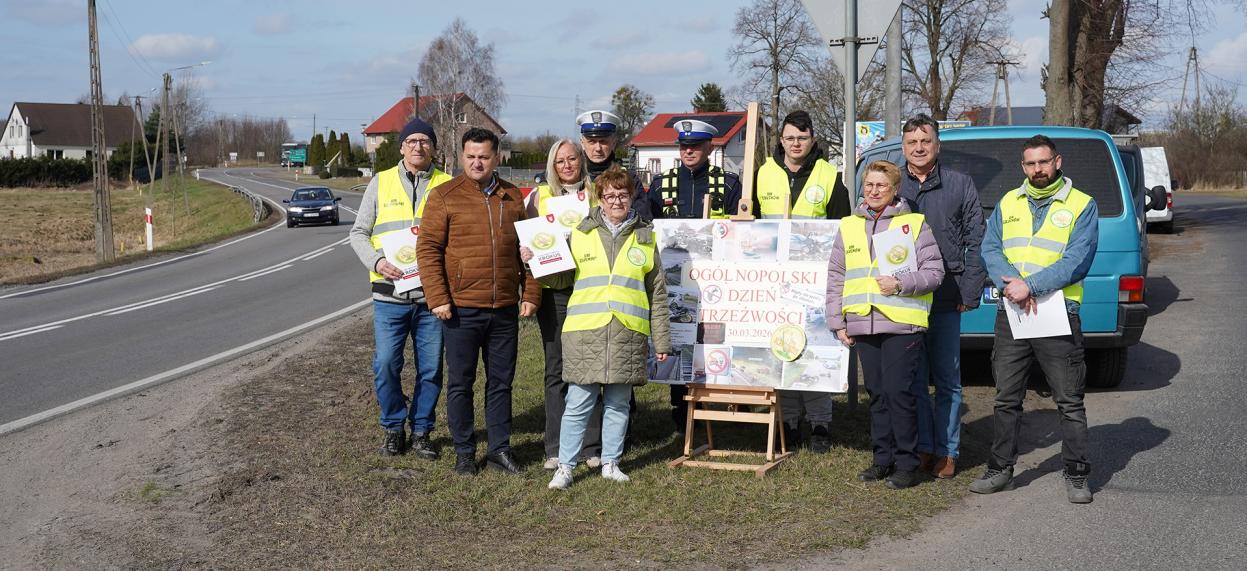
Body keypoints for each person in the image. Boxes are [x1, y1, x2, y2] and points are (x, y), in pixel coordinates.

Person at [521, 166, 671, 490]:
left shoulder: (646, 238)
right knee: (578, 402)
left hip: (627, 333)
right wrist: (535, 260)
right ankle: (565, 466)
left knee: (618, 403)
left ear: (632, 197)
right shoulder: (580, 232)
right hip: (585, 332)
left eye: (623, 194)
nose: (617, 200)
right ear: (600, 198)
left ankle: (610, 462)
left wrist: (662, 341)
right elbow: (561, 279)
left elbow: (657, 293)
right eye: (610, 195)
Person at [971, 135, 1098, 504]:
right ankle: (1000, 470)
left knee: (1069, 400)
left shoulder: (1081, 205)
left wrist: (1030, 285)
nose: (1037, 170)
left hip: (1058, 313)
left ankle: (1076, 474)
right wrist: (1012, 286)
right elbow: (989, 248)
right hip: (1012, 314)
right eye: (1030, 164)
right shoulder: (1009, 201)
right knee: (1005, 398)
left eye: (1043, 162)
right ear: (1022, 166)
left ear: (1057, 162)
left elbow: (1078, 259)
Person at [416, 127, 541, 477]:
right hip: (460, 309)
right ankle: (465, 452)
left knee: (501, 383)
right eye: (470, 156)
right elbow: (426, 250)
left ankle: (500, 450)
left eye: (483, 156)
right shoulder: (444, 196)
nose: (476, 163)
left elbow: (530, 251)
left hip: (503, 308)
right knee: (461, 383)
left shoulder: (513, 197)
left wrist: (530, 293)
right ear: (460, 157)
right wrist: (438, 298)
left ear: (496, 157)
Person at [826, 160, 944, 490]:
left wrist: (901, 283)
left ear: (895, 190)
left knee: (898, 393)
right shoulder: (849, 225)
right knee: (877, 394)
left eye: (881, 186)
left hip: (901, 323)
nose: (874, 191)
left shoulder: (914, 224)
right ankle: (882, 459)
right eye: (869, 185)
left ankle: (907, 463)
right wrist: (837, 321)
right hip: (862, 322)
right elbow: (836, 276)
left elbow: (935, 273)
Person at [348, 117, 452, 457]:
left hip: (432, 297)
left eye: (425, 141)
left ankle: (422, 430)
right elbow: (357, 232)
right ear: (402, 146)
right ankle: (393, 426)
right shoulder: (380, 182)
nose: (418, 146)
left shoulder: (448, 184)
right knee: (386, 364)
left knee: (432, 368)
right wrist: (377, 262)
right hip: (388, 296)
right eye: (412, 141)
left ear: (434, 147)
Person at [752, 109, 852, 453]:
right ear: (781, 140)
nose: (796, 144)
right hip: (773, 280)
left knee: (815, 348)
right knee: (781, 348)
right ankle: (789, 421)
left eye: (802, 138)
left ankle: (820, 423)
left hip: (815, 280)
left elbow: (843, 226)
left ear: (813, 140)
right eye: (790, 138)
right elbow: (750, 221)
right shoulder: (763, 173)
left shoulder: (828, 174)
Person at [897, 113, 987, 479]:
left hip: (947, 293)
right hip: (902, 297)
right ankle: (923, 447)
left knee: (948, 377)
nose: (919, 148)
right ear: (904, 147)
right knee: (914, 376)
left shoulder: (959, 184)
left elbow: (976, 241)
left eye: (925, 141)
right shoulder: (892, 182)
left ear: (937, 145)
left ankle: (948, 451)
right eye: (912, 142)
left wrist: (970, 289)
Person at [644, 118, 742, 431]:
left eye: (695, 146)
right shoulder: (662, 184)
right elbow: (650, 227)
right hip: (675, 279)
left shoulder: (727, 183)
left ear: (709, 148)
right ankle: (680, 406)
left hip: (716, 279)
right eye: (684, 145)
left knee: (712, 337)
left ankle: (716, 398)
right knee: (678, 336)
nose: (689, 151)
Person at [524, 139, 605, 471]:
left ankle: (591, 445)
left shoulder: (597, 193)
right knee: (556, 367)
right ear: (552, 166)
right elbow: (526, 239)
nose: (568, 165)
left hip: (591, 289)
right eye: (560, 161)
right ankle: (555, 447)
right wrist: (526, 252)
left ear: (581, 160)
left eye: (573, 158)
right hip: (555, 291)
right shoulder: (538, 198)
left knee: (591, 366)